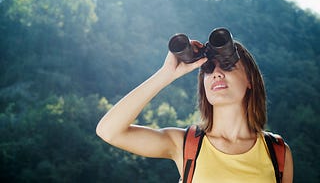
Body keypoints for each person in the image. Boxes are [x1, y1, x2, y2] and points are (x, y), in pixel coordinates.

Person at [96, 28, 294, 182]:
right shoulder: (186, 144)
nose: (216, 73)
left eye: (227, 65)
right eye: (208, 69)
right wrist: (166, 74)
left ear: (250, 80)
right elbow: (108, 131)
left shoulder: (278, 152)